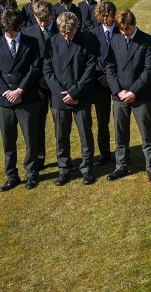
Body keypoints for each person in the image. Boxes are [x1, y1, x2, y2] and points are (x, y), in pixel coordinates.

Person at [0, 9, 43, 191]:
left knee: (31, 138)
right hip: (5, 101)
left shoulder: (31, 42)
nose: (8, 33)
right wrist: (7, 92)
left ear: (18, 27)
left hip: (27, 98)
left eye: (11, 30)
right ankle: (11, 175)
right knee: (8, 140)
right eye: (5, 30)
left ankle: (32, 173)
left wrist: (20, 90)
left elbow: (35, 68)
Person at [105, 9, 151, 182]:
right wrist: (118, 91)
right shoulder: (115, 39)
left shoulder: (147, 40)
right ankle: (121, 166)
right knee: (120, 133)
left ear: (133, 24)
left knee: (146, 133)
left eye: (127, 30)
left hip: (140, 95)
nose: (124, 33)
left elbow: (148, 70)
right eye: (121, 30)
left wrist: (133, 91)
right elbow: (110, 67)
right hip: (120, 96)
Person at [43, 12, 97, 186]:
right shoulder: (52, 42)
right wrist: (63, 94)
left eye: (70, 32)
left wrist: (74, 93)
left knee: (85, 135)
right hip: (59, 98)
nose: (66, 35)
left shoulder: (87, 41)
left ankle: (87, 169)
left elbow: (90, 70)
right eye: (63, 32)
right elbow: (48, 71)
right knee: (61, 137)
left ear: (76, 27)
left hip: (81, 96)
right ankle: (64, 169)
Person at [23, 0, 58, 171]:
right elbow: (27, 61)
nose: (43, 23)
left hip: (59, 85)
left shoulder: (61, 29)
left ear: (53, 14)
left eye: (46, 20)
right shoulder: (28, 33)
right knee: (38, 124)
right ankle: (39, 159)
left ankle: (63, 157)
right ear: (34, 16)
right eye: (39, 20)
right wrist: (39, 79)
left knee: (60, 123)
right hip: (37, 86)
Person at [90, 0, 119, 166]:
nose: (106, 19)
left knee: (121, 119)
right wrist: (101, 78)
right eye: (103, 16)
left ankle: (123, 150)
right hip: (100, 84)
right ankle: (105, 152)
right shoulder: (93, 34)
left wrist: (114, 79)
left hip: (118, 83)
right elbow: (91, 60)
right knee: (102, 120)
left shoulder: (121, 32)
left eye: (109, 16)